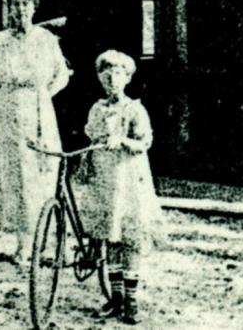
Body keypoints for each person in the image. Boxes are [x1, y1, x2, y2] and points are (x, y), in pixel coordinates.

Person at [0, 0, 70, 265]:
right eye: (14, 4)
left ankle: (48, 242)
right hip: (6, 111)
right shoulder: (0, 41)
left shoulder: (46, 39)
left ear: (34, 7)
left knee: (39, 175)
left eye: (24, 4)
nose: (19, 10)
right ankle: (23, 245)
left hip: (38, 113)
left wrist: (44, 94)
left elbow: (62, 74)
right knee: (14, 178)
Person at [83, 50, 165, 325]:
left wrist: (124, 142)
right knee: (111, 237)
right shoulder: (97, 109)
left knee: (129, 238)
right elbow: (92, 139)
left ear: (127, 78)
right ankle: (115, 297)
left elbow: (145, 142)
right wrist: (86, 162)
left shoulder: (134, 109)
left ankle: (131, 300)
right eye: (106, 76)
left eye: (117, 75)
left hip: (129, 179)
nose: (111, 80)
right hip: (105, 180)